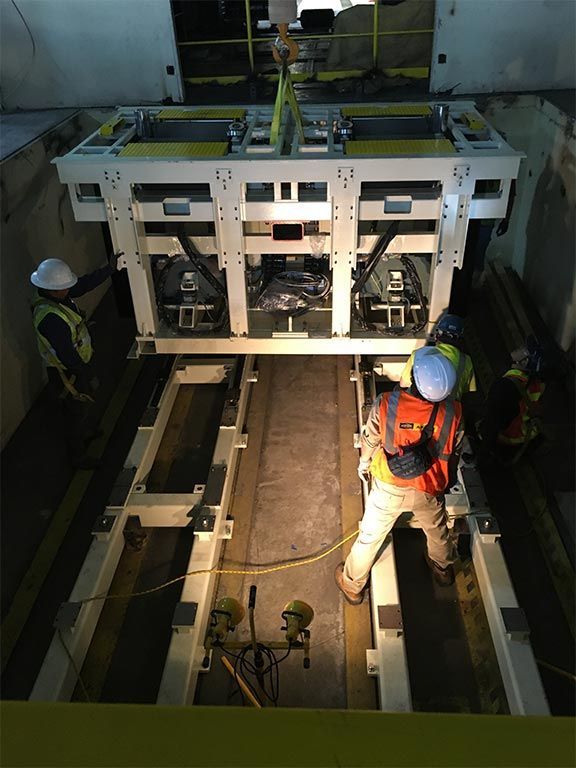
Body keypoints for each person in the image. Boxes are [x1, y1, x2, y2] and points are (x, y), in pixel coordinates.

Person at [335, 347, 462, 605]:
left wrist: (364, 462)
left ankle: (352, 584)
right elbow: (456, 450)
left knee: (370, 536)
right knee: (437, 532)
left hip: (388, 485)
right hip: (429, 487)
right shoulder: (455, 412)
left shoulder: (386, 403)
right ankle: (442, 569)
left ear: (414, 377)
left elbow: (370, 440)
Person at [31, 255, 117, 469]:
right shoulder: (50, 318)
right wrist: (84, 372)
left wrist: (110, 269)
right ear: (51, 289)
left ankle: (86, 431)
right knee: (73, 412)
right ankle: (78, 457)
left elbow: (82, 285)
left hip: (77, 363)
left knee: (83, 402)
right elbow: (66, 354)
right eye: (64, 287)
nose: (69, 289)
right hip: (66, 371)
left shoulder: (58, 296)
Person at [477, 335, 545, 465]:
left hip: (509, 438)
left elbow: (494, 422)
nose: (518, 348)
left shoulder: (505, 386)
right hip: (527, 435)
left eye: (523, 349)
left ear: (524, 361)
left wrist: (482, 455)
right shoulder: (533, 382)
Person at [399, 314, 476, 401]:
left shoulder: (418, 355)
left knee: (398, 389)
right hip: (449, 410)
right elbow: (469, 391)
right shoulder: (466, 361)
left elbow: (403, 383)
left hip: (420, 406)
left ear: (437, 335)